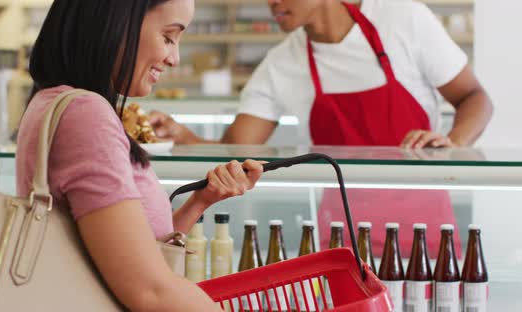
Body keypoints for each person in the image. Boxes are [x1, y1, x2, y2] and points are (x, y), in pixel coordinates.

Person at [149, 0, 493, 256]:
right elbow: (237, 149)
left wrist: (452, 141)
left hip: (423, 232)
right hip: (341, 239)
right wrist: (183, 137)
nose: (271, 3)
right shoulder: (283, 61)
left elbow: (475, 97)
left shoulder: (402, 18)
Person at [15, 1, 264, 311]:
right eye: (168, 37)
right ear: (117, 22)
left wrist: (200, 201)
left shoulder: (54, 100)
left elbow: (131, 254)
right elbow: (151, 291)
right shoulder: (85, 115)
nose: (174, 58)